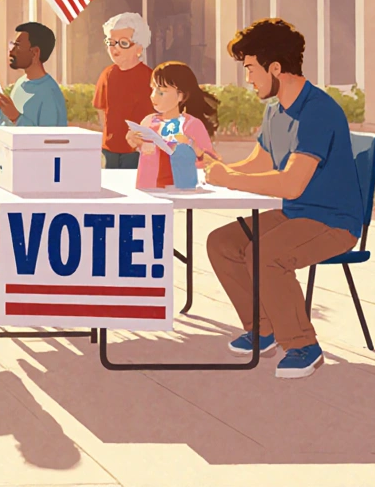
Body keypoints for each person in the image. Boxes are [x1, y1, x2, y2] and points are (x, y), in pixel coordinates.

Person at [204, 19, 362, 379]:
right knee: (222, 243)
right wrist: (217, 169)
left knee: (264, 254)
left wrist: (230, 178)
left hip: (333, 222)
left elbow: (291, 184)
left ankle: (303, 345)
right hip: (295, 215)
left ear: (275, 68)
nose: (248, 78)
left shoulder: (318, 110)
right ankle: (263, 329)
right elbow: (258, 163)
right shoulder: (275, 110)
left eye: (250, 68)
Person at [0, 22, 69, 315]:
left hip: (37, 184)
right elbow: (9, 128)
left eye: (18, 45)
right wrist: (4, 115)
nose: (11, 50)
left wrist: (16, 116)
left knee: (9, 237)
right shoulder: (19, 85)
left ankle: (1, 289)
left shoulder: (50, 93)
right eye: (12, 44)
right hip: (10, 176)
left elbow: (50, 143)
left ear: (35, 52)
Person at [126, 62, 221, 189]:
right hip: (147, 187)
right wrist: (134, 141)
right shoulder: (149, 121)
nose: (153, 96)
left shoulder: (191, 124)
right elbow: (142, 149)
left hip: (178, 188)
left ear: (181, 95)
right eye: (153, 89)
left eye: (162, 92)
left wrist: (193, 148)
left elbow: (212, 162)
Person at [94, 12, 155, 169]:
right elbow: (101, 109)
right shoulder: (107, 74)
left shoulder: (149, 77)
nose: (115, 48)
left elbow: (156, 114)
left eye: (123, 43)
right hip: (109, 149)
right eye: (111, 42)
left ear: (139, 48)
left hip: (137, 149)